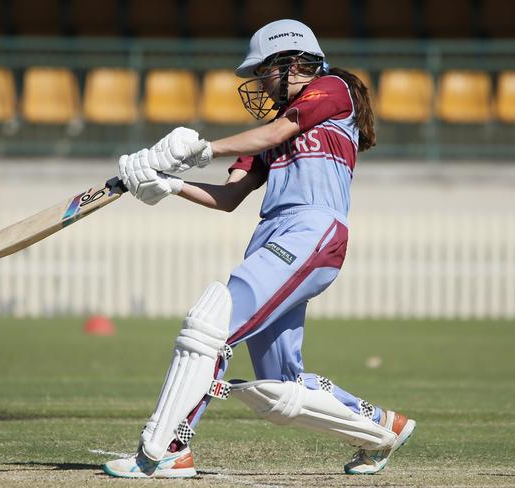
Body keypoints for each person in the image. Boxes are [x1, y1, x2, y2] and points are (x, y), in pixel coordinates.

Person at [103, 19, 415, 478]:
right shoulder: (274, 129)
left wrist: (197, 150)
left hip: (312, 231)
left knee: (209, 323)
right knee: (278, 388)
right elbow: (228, 198)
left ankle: (165, 448)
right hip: (273, 238)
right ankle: (381, 429)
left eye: (263, 71)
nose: (259, 84)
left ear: (291, 64)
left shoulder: (334, 89)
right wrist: (166, 183)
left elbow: (274, 132)